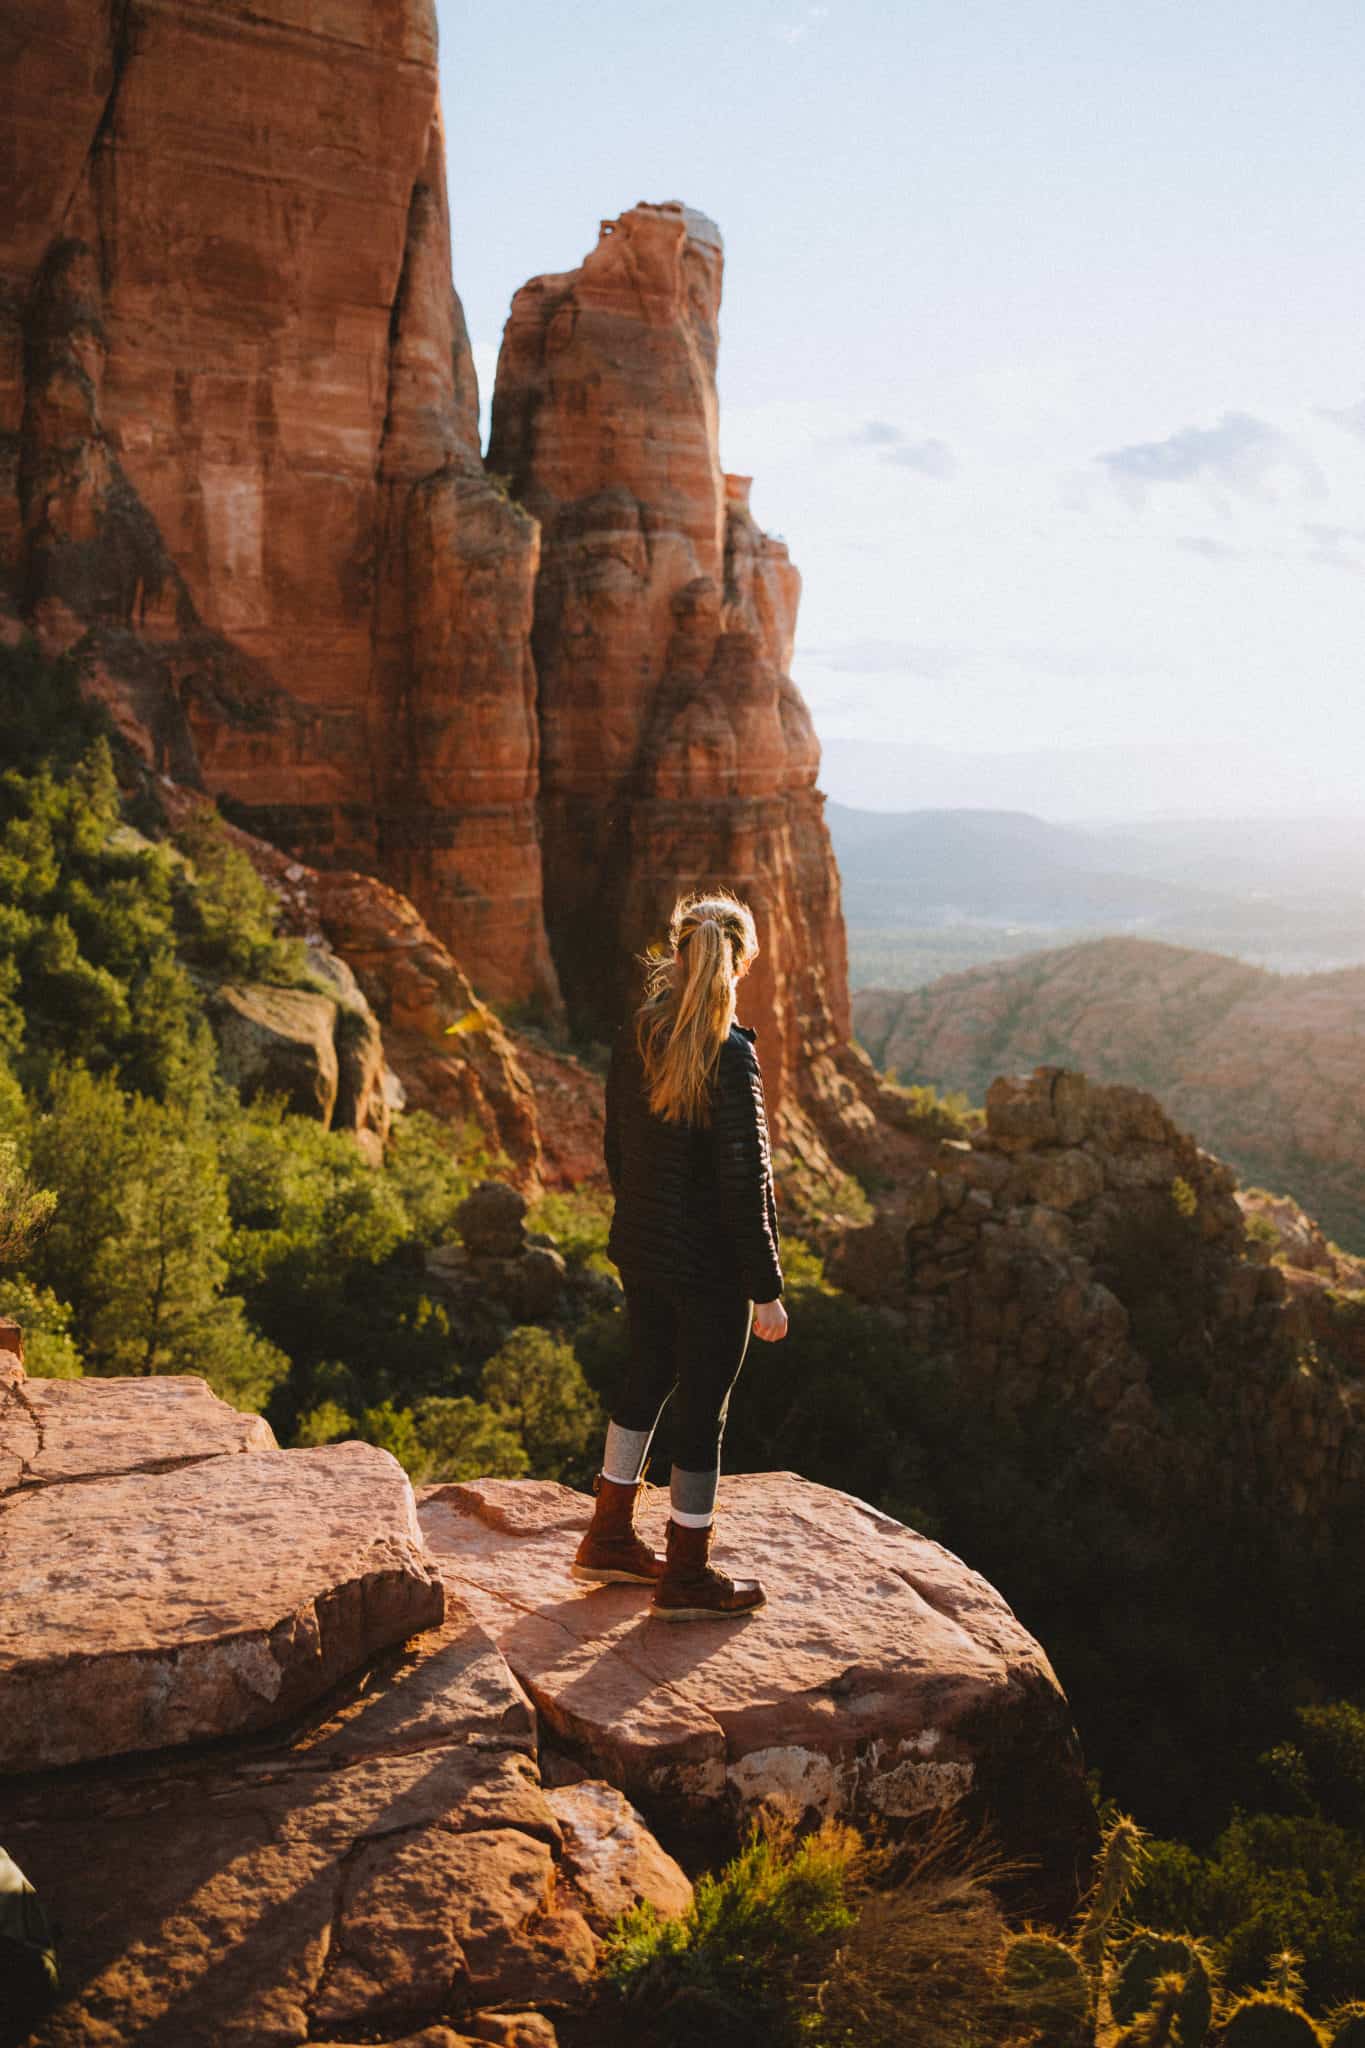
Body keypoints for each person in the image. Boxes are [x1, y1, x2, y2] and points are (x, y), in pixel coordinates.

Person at [572, 889, 788, 1621]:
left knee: (646, 1375)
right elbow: (745, 1180)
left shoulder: (641, 1030)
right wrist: (766, 1289)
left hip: (642, 1248)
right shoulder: (732, 1055)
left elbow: (616, 1148)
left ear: (677, 952)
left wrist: (641, 1226)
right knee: (703, 1411)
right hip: (709, 1267)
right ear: (742, 961)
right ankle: (686, 1575)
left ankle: (607, 1535)